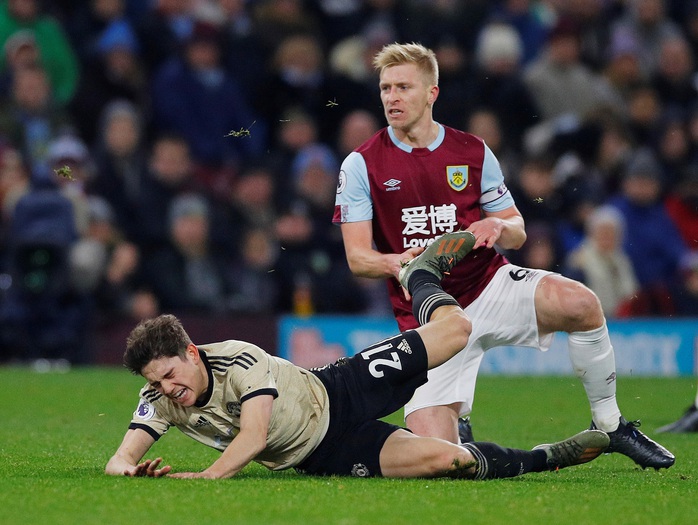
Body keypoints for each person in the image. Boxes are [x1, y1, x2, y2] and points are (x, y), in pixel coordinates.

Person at [333, 42, 674, 470]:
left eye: (403, 87)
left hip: (489, 285)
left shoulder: (472, 152)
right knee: (443, 462)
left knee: (581, 304)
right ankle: (467, 429)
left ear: (432, 93)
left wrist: (498, 226)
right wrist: (402, 262)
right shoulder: (361, 165)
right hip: (431, 318)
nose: (392, 97)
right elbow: (358, 258)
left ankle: (611, 425)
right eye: (385, 88)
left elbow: (517, 230)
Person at [105, 232, 610, 479]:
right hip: (323, 454)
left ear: (192, 353)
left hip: (340, 388)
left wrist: (203, 479)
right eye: (158, 382)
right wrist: (131, 469)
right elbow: (119, 459)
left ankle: (421, 276)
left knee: (455, 329)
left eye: (171, 374)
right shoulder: (161, 395)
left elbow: (254, 437)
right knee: (448, 462)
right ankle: (546, 459)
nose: (168, 389)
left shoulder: (237, 359)